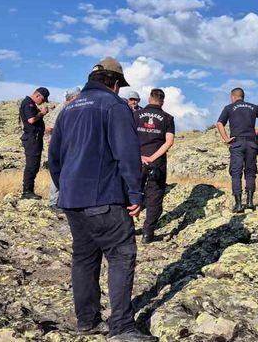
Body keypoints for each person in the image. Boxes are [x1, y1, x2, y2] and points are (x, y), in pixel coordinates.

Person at [48, 57, 155, 341]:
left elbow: (54, 158)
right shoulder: (114, 105)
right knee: (122, 255)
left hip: (72, 199)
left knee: (84, 258)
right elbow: (127, 153)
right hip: (104, 197)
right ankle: (121, 327)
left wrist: (66, 188)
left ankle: (87, 321)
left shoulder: (68, 109)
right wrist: (135, 193)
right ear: (116, 84)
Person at [216, 87, 258, 213]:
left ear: (233, 97)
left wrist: (226, 138)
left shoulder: (229, 108)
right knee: (250, 171)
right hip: (252, 142)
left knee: (236, 172)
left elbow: (220, 123)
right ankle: (250, 202)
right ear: (243, 96)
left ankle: (238, 205)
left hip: (236, 142)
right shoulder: (253, 107)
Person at [134, 88, 175, 244]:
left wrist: (139, 156)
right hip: (156, 163)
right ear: (163, 101)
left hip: (135, 160)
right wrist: (152, 157)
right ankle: (147, 233)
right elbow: (169, 141)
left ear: (149, 98)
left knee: (130, 192)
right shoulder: (168, 118)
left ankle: (127, 229)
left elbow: (127, 136)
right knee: (154, 197)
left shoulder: (135, 115)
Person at [44, 87, 81, 209]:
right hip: (60, 147)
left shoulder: (74, 109)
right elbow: (49, 128)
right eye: (79, 96)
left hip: (69, 146)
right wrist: (56, 138)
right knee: (59, 172)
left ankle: (66, 200)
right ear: (73, 97)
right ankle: (53, 202)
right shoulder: (62, 108)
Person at [19, 87, 50, 200]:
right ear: (37, 95)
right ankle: (27, 191)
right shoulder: (28, 104)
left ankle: (29, 190)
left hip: (34, 138)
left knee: (34, 164)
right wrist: (41, 114)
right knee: (31, 165)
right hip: (32, 139)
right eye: (43, 99)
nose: (42, 102)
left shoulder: (30, 103)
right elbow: (31, 120)